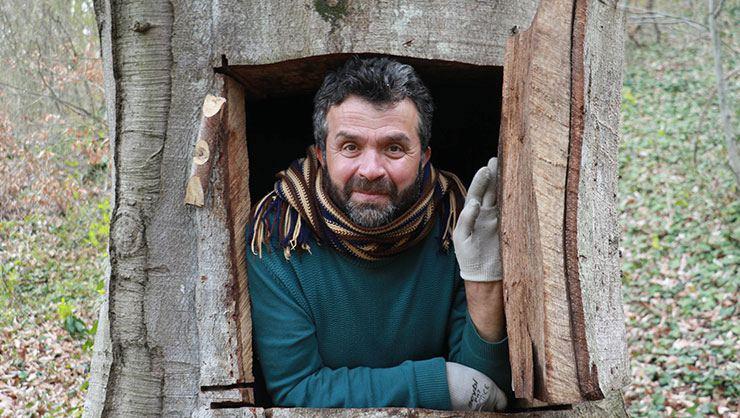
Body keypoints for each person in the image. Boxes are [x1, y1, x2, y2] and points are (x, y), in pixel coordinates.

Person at [247, 56, 511, 411]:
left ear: (424, 157)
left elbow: (486, 391)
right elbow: (297, 390)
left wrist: (483, 282)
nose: (371, 170)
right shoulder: (279, 234)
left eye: (394, 148)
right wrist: (435, 383)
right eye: (350, 147)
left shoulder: (457, 224)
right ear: (322, 154)